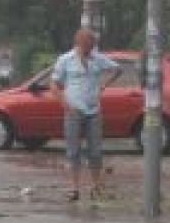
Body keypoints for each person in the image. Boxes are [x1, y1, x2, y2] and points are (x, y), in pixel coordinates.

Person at [50, 28, 122, 201]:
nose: (89, 50)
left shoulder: (98, 59)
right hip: (73, 111)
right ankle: (74, 188)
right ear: (79, 44)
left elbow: (118, 69)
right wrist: (65, 104)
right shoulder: (65, 60)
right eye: (86, 46)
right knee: (73, 151)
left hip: (93, 111)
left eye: (91, 46)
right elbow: (53, 84)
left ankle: (95, 186)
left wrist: (104, 84)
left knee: (95, 151)